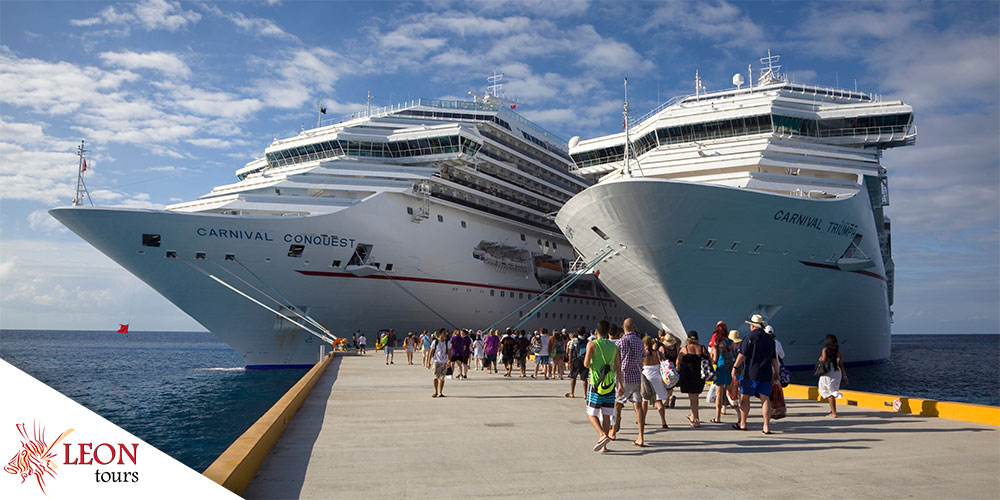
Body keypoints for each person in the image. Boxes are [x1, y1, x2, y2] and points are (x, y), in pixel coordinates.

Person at [730, 314, 779, 434]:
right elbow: (774, 359)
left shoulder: (748, 337)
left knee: (745, 397)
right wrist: (776, 372)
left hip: (749, 373)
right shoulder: (770, 339)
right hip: (766, 372)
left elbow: (742, 355)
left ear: (752, 326)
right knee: (765, 399)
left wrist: (735, 367)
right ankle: (766, 426)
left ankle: (743, 423)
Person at [584, 320, 621, 453]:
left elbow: (586, 363)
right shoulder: (613, 347)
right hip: (610, 384)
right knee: (606, 414)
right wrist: (620, 384)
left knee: (591, 413)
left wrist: (594, 364)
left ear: (596, 331)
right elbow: (618, 366)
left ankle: (601, 435)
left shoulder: (592, 344)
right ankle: (604, 446)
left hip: (596, 383)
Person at [611, 318, 647, 447]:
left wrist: (619, 382)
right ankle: (641, 437)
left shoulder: (620, 342)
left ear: (622, 327)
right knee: (638, 407)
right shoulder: (640, 342)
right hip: (637, 377)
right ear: (634, 327)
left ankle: (613, 432)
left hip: (624, 377)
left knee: (617, 405)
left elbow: (617, 361)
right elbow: (643, 356)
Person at [676, 331, 709, 427]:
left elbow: (678, 362)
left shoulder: (685, 349)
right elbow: (709, 358)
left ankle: (696, 420)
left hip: (688, 375)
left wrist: (678, 369)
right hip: (699, 375)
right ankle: (693, 416)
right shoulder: (702, 348)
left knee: (692, 398)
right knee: (695, 397)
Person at [710, 323, 736, 424]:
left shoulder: (717, 343)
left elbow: (715, 358)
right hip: (729, 368)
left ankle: (718, 417)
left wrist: (712, 359)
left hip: (721, 368)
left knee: (719, 394)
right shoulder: (730, 342)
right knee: (731, 393)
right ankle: (739, 414)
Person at [641, 335, 669, 429]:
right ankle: (663, 421)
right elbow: (663, 360)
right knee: (659, 400)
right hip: (657, 376)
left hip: (646, 376)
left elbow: (639, 364)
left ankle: (643, 420)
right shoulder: (657, 353)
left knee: (644, 401)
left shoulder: (643, 353)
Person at [818, 334, 849, 417]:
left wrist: (820, 359)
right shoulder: (839, 353)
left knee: (829, 393)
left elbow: (823, 360)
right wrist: (845, 376)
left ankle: (834, 413)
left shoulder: (825, 350)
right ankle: (832, 411)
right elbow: (841, 365)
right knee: (832, 390)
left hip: (828, 373)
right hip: (837, 373)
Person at [566, 328, 589, 398]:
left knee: (573, 377)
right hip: (584, 360)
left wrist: (569, 361)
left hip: (576, 360)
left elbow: (570, 351)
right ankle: (585, 394)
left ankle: (572, 393)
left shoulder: (574, 340)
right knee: (584, 378)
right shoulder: (587, 341)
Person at [660, 331, 680, 408]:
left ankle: (668, 400)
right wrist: (673, 336)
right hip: (674, 367)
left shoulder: (662, 348)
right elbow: (679, 341)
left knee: (665, 385)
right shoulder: (676, 347)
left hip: (665, 368)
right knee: (671, 386)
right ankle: (668, 399)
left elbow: (660, 358)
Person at [430, 331, 449, 397]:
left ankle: (440, 392)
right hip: (436, 361)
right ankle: (435, 391)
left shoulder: (447, 342)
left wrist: (449, 360)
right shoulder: (435, 342)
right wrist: (428, 361)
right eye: (444, 333)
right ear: (440, 334)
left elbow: (449, 351)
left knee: (442, 378)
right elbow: (431, 351)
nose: (445, 335)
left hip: (444, 362)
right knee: (435, 377)